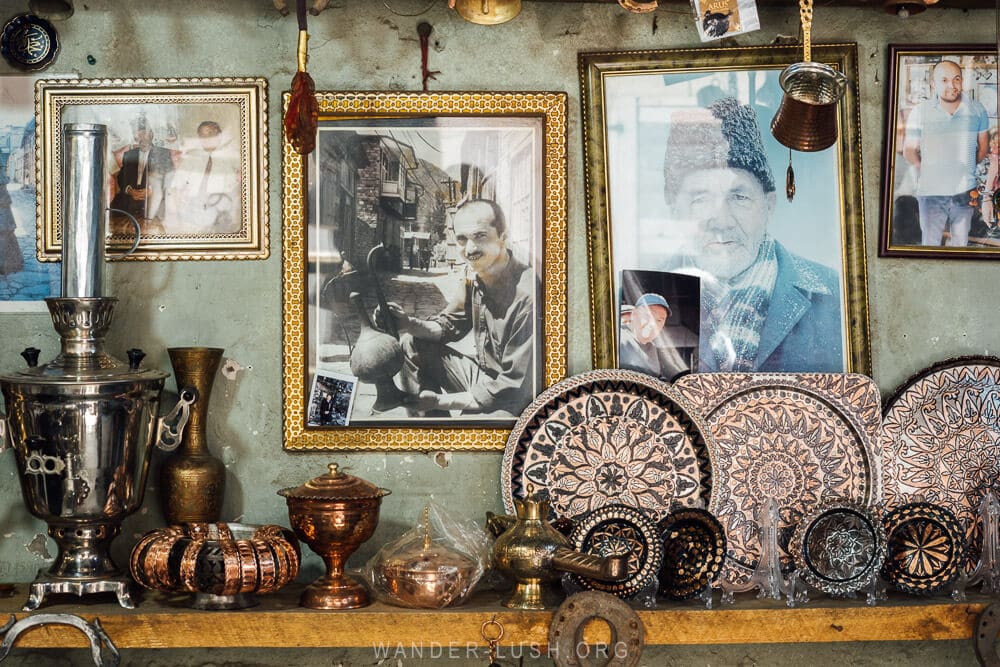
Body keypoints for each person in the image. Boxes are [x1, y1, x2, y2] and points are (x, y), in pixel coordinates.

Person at [662, 96, 843, 372]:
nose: (721, 221)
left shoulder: (835, 294)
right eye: (700, 199)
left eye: (739, 196)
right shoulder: (645, 294)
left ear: (768, 205)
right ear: (675, 210)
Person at [381, 199, 538, 417]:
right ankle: (429, 437)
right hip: (484, 378)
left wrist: (441, 401)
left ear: (503, 237)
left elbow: (513, 387)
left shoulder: (529, 298)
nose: (470, 249)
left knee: (488, 434)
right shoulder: (474, 277)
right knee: (411, 342)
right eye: (462, 239)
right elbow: (448, 325)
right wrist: (408, 323)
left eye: (480, 236)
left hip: (520, 403)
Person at [903, 59, 990, 247]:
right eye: (944, 80)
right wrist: (925, 169)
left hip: (966, 191)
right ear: (933, 84)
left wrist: (966, 168)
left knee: (960, 244)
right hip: (930, 193)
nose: (952, 85)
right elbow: (909, 150)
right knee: (931, 246)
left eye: (956, 79)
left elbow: (983, 147)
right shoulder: (920, 111)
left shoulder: (977, 110)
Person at [169, 120, 241, 234]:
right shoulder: (192, 156)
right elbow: (177, 183)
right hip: (192, 206)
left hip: (221, 208)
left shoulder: (233, 157)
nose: (206, 138)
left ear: (219, 135)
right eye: (202, 135)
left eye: (210, 133)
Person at [110, 115, 174, 234]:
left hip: (152, 198)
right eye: (138, 134)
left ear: (151, 134)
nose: (141, 137)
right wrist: (129, 190)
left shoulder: (163, 153)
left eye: (144, 133)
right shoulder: (129, 155)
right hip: (130, 198)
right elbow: (121, 178)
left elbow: (169, 179)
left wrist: (151, 191)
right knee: (113, 218)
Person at [618, 293, 690, 381]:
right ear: (633, 315)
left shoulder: (651, 347)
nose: (653, 324)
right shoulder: (619, 339)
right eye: (648, 316)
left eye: (659, 320)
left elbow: (654, 376)